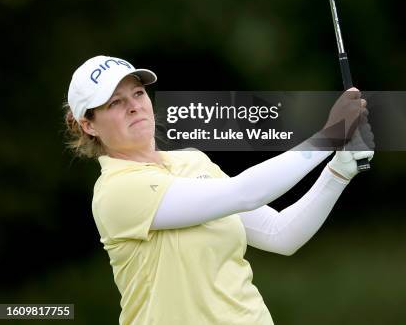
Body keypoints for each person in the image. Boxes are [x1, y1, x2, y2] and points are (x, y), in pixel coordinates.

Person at [64, 55, 374, 325]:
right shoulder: (116, 191)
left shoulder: (193, 162)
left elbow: (280, 234)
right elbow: (243, 193)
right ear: (88, 125)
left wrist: (337, 173)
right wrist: (330, 137)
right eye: (116, 102)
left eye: (138, 93)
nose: (134, 107)